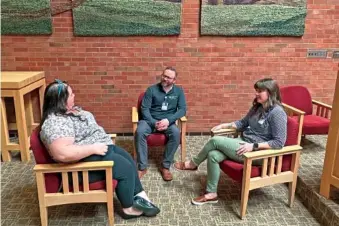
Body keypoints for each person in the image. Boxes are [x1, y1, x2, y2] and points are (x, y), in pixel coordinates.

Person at [39, 79, 160, 219]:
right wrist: (93, 148)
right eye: (71, 94)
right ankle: (128, 209)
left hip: (95, 151)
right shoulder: (54, 123)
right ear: (61, 100)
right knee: (124, 168)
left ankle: (140, 197)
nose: (74, 96)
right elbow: (62, 154)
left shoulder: (65, 113)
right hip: (78, 169)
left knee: (128, 159)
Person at [174, 78, 287, 205]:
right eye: (256, 90)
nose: (256, 94)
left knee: (215, 141)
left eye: (260, 91)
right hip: (243, 142)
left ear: (270, 92)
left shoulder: (277, 113)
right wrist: (224, 125)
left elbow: (279, 142)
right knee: (213, 155)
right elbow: (243, 123)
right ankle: (211, 194)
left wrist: (253, 146)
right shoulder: (258, 107)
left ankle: (193, 164)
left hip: (258, 153)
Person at [135, 66, 187, 181]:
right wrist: (154, 123)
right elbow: (144, 109)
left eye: (169, 78)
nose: (165, 79)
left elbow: (182, 110)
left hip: (168, 122)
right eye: (164, 76)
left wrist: (168, 121)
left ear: (174, 80)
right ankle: (142, 167)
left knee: (175, 133)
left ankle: (165, 167)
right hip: (149, 120)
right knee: (140, 131)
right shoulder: (151, 90)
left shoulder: (178, 91)